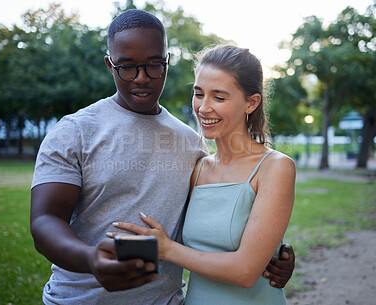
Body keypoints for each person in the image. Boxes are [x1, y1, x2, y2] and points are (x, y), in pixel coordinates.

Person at [30, 9, 295, 305]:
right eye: (127, 67)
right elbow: (45, 219)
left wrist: (271, 255)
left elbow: (223, 224)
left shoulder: (190, 143)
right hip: (78, 300)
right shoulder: (75, 131)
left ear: (167, 62)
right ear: (110, 65)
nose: (141, 78)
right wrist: (91, 258)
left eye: (154, 66)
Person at [107, 44, 296, 304]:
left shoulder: (275, 167)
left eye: (219, 97)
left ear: (251, 103)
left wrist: (168, 249)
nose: (203, 108)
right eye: (199, 94)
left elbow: (245, 272)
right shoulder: (198, 169)